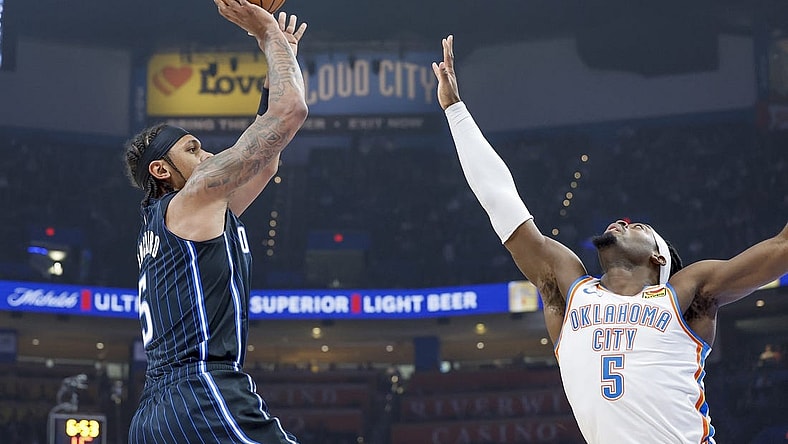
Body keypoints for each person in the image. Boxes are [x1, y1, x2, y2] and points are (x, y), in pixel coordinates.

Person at [432, 34, 788, 444]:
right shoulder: (569, 288)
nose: (622, 221)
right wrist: (455, 112)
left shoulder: (687, 295)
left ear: (658, 259)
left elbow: (781, 247)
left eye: (637, 227)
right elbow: (504, 207)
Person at [123, 1, 308, 442]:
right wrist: (267, 36)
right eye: (191, 149)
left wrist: (280, 59)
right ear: (160, 170)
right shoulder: (194, 197)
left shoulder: (176, 218)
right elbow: (291, 113)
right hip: (200, 393)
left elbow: (265, 161)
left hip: (154, 413)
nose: (206, 156)